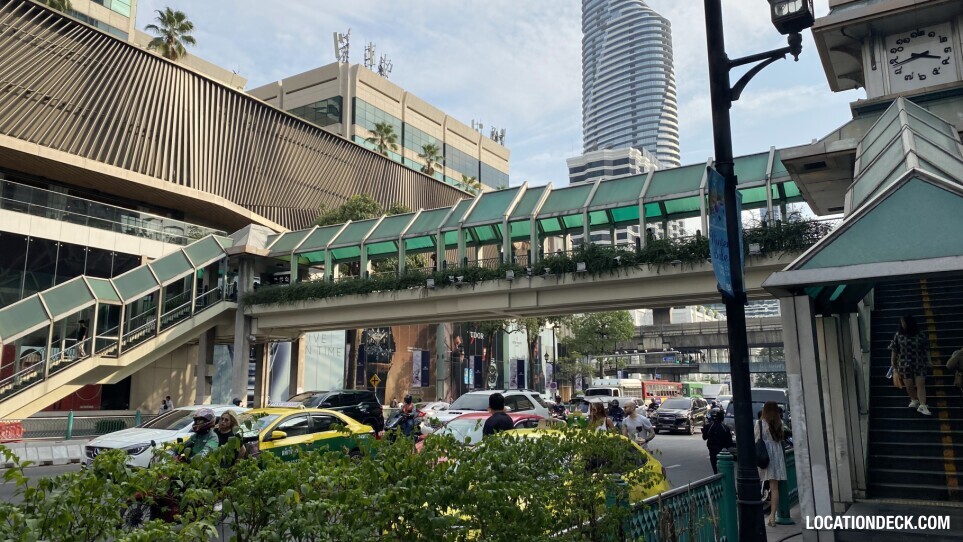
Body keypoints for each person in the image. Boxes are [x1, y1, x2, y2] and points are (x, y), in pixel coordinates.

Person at [889, 314, 932, 416]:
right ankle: (914, 400)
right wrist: (894, 366)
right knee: (908, 385)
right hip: (904, 364)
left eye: (904, 322)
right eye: (902, 322)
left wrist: (929, 360)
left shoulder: (920, 335)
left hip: (919, 361)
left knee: (920, 383)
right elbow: (894, 351)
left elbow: (926, 349)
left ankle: (922, 405)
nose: (903, 324)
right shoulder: (898, 335)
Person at [756, 401, 787, 527]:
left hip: (765, 456)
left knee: (759, 481)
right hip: (777, 457)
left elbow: (756, 439)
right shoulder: (779, 423)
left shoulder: (760, 423)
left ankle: (759, 512)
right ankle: (772, 516)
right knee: (775, 488)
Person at [701, 407, 733, 474]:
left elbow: (704, 437)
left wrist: (704, 431)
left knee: (715, 469)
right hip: (723, 451)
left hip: (712, 450)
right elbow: (730, 442)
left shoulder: (709, 426)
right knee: (724, 470)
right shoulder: (725, 427)